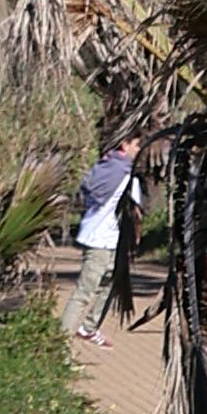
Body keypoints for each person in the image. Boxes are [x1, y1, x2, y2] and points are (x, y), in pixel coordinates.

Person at [66, 130, 143, 340]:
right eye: (136, 145)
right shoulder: (127, 176)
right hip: (100, 241)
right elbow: (136, 214)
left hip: (104, 238)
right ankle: (59, 343)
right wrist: (135, 241)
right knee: (84, 292)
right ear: (125, 145)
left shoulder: (105, 166)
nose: (139, 150)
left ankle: (89, 327)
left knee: (114, 283)